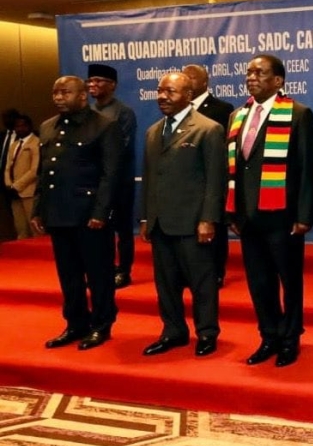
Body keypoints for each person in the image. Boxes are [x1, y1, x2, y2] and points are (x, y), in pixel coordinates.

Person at [226, 55, 313, 368]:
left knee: (289, 282)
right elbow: (236, 168)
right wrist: (233, 213)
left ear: (278, 81)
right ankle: (269, 336)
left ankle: (290, 339)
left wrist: (305, 216)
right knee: (259, 282)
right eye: (249, 72)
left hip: (283, 217)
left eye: (260, 72)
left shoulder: (298, 114)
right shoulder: (238, 115)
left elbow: (307, 169)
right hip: (248, 218)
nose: (251, 77)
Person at [138, 73, 226, 357]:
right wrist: (145, 219)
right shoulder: (153, 131)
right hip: (161, 223)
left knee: (202, 283)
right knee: (166, 285)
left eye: (171, 91)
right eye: (160, 91)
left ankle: (207, 333)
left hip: (193, 223)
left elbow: (215, 179)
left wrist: (208, 219)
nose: (163, 96)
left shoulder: (207, 129)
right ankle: (173, 331)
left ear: (188, 95)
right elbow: (151, 178)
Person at [31, 76, 121, 350]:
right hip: (58, 214)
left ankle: (101, 325)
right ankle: (75, 324)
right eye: (55, 92)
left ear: (83, 96)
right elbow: (44, 173)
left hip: (89, 215)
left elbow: (110, 174)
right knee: (68, 275)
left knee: (98, 274)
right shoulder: (48, 127)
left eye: (65, 92)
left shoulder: (104, 126)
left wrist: (101, 212)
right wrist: (39, 209)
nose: (59, 97)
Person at [183, 63, 235, 288]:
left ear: (205, 82)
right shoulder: (179, 109)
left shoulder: (222, 109)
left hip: (212, 178)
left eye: (192, 77)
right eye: (185, 76)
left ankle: (216, 272)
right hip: (186, 181)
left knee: (215, 227)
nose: (187, 80)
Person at [87, 64, 138, 289]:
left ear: (112, 85)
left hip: (119, 182)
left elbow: (121, 149)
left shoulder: (123, 112)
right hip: (94, 182)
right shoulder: (88, 112)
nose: (93, 85)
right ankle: (103, 270)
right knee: (98, 229)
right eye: (90, 81)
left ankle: (124, 271)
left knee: (123, 229)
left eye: (99, 81)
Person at [5, 114, 39, 239]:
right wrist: (9, 185)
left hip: (29, 191)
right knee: (20, 227)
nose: (20, 129)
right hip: (13, 192)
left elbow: (35, 170)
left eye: (22, 125)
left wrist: (17, 186)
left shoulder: (35, 143)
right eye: (17, 126)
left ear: (29, 126)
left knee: (34, 227)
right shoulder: (14, 145)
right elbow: (7, 167)